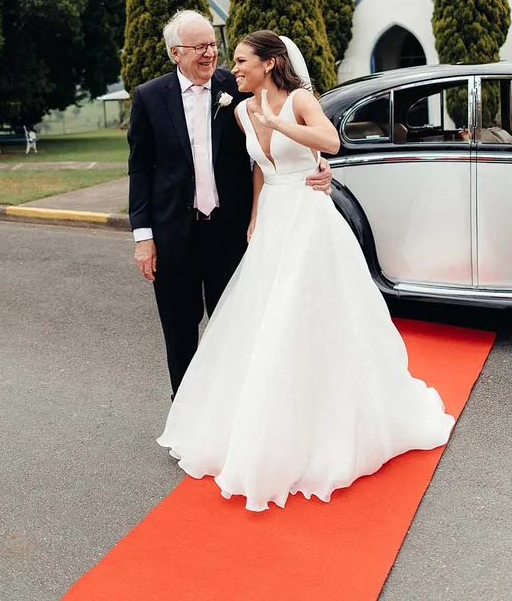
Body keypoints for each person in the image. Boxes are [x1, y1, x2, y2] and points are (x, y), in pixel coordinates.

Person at [157, 30, 455, 511]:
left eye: (242, 60)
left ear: (270, 64)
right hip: (273, 215)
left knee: (307, 310)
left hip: (309, 216)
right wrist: (254, 214)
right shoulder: (238, 110)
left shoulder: (298, 99)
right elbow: (258, 167)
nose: (234, 69)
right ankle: (262, 422)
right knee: (263, 316)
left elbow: (330, 142)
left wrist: (282, 125)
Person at [128, 11, 332, 398]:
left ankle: (235, 411)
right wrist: (143, 236)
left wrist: (321, 164)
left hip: (230, 231)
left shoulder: (237, 87)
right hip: (173, 233)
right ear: (176, 53)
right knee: (179, 327)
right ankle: (187, 414)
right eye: (200, 47)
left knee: (238, 325)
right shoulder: (150, 97)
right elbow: (139, 169)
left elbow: (281, 137)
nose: (211, 54)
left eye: (213, 45)